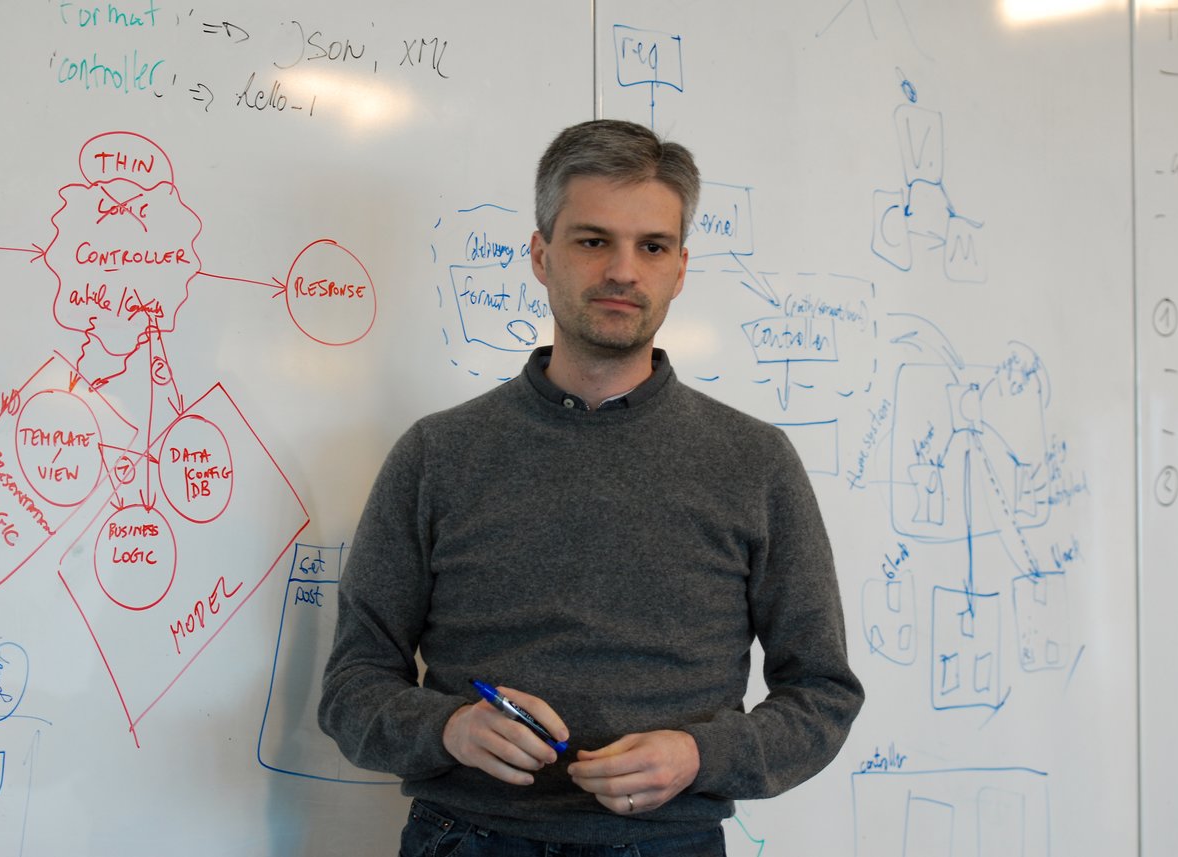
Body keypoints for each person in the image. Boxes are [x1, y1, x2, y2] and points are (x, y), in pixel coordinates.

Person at [319, 119, 864, 856]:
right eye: (593, 240)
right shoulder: (437, 454)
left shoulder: (755, 462)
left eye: (653, 246)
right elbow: (352, 687)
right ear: (541, 255)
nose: (623, 271)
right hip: (467, 838)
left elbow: (823, 694)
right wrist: (449, 728)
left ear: (680, 269)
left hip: (669, 843)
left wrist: (699, 755)